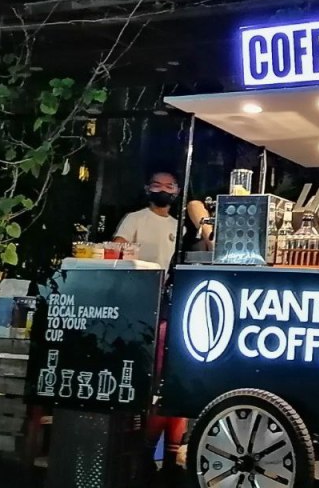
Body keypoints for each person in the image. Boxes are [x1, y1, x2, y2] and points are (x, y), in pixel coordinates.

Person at [112, 169, 191, 486]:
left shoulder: (180, 227)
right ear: (147, 188)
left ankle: (170, 458)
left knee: (174, 384)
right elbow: (117, 252)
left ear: (177, 191)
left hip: (172, 306)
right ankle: (144, 456)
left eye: (169, 186)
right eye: (157, 185)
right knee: (156, 385)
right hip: (140, 307)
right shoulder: (134, 219)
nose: (163, 190)